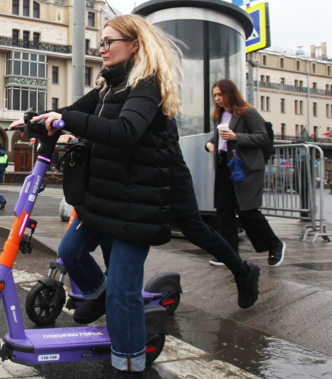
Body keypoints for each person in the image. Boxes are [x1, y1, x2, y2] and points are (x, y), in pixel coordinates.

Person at [10, 14, 181, 379]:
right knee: (69, 253)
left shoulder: (146, 85)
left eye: (108, 42)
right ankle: (102, 297)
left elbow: (124, 132)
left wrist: (67, 119)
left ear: (135, 44)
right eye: (99, 43)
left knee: (124, 290)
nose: (100, 49)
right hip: (103, 198)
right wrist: (35, 122)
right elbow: (73, 110)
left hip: (136, 205)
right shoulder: (108, 83)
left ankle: (129, 375)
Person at [91, 118, 261, 309]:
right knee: (114, 224)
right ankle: (111, 283)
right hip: (141, 180)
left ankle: (243, 273)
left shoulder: (152, 99)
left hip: (170, 179)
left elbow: (157, 144)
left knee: (197, 231)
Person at [206, 79, 285, 267]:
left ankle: (275, 245)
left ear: (230, 93)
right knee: (224, 212)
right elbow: (217, 137)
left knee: (247, 212)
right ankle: (229, 254)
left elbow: (263, 137)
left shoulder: (248, 112)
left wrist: (236, 137)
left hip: (246, 168)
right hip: (225, 167)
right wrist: (209, 144)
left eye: (220, 94)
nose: (217, 98)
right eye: (215, 95)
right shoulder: (221, 115)